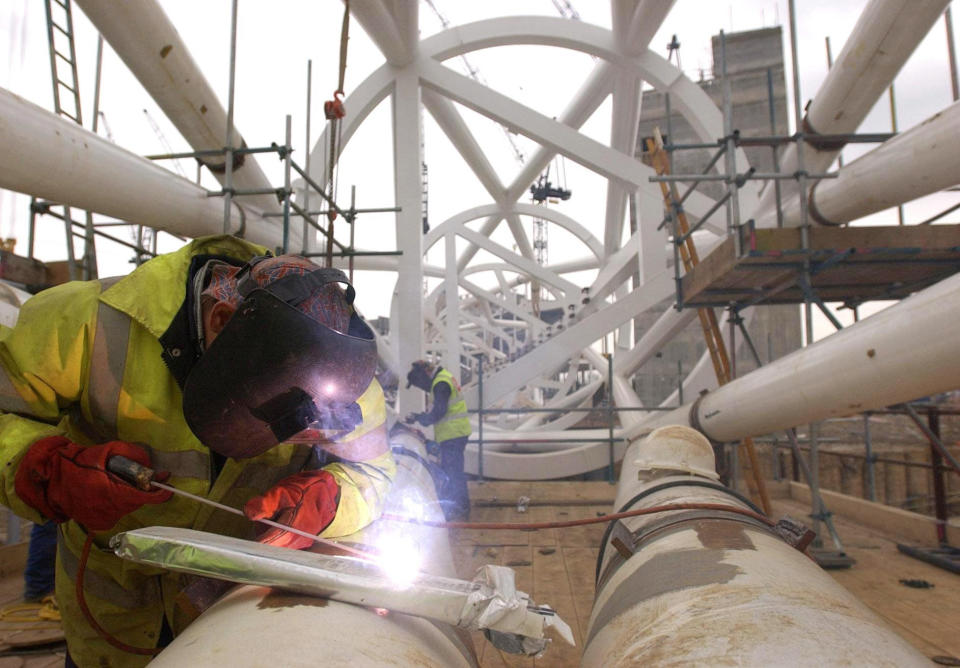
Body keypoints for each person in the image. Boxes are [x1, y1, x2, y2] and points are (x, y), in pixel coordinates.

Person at [0, 235, 394, 666]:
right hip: (113, 622)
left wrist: (329, 500)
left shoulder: (345, 385)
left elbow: (373, 476)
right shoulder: (88, 324)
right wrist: (44, 471)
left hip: (236, 623)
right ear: (223, 320)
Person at [404, 360, 472, 521]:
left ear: (426, 374)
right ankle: (460, 507)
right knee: (453, 471)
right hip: (455, 433)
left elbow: (439, 412)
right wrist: (420, 416)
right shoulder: (443, 378)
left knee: (453, 473)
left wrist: (422, 419)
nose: (423, 388)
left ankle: (460, 509)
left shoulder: (441, 383)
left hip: (453, 434)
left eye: (421, 384)